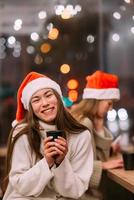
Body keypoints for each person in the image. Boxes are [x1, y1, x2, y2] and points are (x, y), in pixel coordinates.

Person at [2, 71, 93, 200]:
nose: (44, 103)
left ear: (58, 98)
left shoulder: (81, 135)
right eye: (36, 100)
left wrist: (61, 162)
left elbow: (76, 190)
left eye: (48, 95)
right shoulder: (22, 133)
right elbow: (20, 185)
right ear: (31, 108)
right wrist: (47, 162)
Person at [70, 70, 123, 200]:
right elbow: (73, 164)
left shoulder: (85, 119)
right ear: (97, 100)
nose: (110, 109)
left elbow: (94, 156)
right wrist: (102, 165)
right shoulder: (84, 122)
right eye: (109, 103)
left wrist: (99, 127)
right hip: (80, 195)